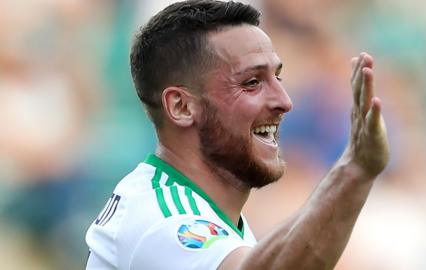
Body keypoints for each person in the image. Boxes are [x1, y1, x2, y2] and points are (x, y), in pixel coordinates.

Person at [85, 0, 389, 269]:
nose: (284, 101)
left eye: (277, 76)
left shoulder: (219, 223)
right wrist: (353, 170)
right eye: (253, 82)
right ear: (181, 106)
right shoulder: (161, 218)